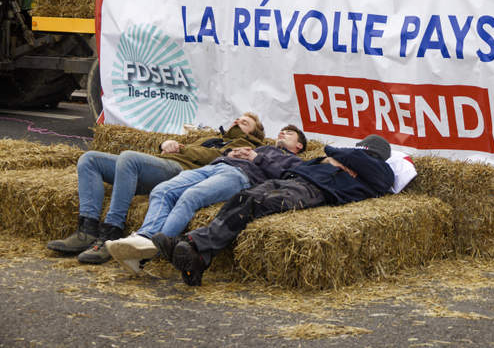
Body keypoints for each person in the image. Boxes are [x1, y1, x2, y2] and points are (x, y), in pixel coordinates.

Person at [154, 134, 395, 286]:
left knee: (257, 204)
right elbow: (316, 160)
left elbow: (334, 151)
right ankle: (199, 257)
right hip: (295, 179)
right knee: (244, 197)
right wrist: (326, 161)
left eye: (359, 149)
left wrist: (333, 157)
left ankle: (193, 245)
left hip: (314, 191)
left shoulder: (380, 171)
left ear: (366, 150)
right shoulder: (349, 162)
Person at [47, 113, 266, 264]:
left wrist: (182, 147)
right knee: (89, 159)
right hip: (160, 165)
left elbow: (214, 158)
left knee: (128, 158)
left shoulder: (246, 146)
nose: (238, 121)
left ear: (253, 134)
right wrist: (164, 144)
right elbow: (183, 148)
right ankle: (87, 229)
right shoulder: (212, 138)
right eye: (237, 118)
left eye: (245, 122)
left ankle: (111, 232)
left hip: (179, 170)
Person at [106, 125, 308, 275]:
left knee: (190, 197)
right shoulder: (262, 147)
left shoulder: (295, 161)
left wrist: (256, 158)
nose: (282, 133)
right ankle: (143, 238)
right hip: (214, 167)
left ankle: (148, 252)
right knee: (162, 190)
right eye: (281, 131)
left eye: (289, 133)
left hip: (239, 176)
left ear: (299, 145)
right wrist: (232, 152)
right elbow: (217, 153)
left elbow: (287, 177)